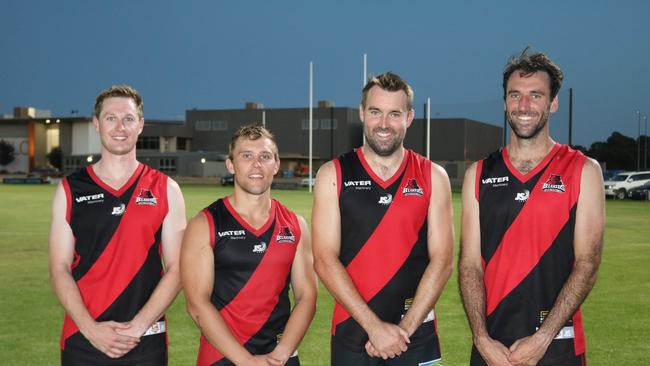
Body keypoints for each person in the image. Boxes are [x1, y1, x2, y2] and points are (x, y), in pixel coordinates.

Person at [458, 49, 605, 366]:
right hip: (491, 348)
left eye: (535, 95)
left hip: (556, 346)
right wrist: (481, 338)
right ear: (505, 103)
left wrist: (543, 337)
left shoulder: (583, 171)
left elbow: (587, 263)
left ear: (553, 103)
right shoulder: (478, 175)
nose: (524, 105)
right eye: (515, 95)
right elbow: (470, 265)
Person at [312, 72, 454, 365]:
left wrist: (404, 330)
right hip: (352, 334)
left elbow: (443, 260)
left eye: (394, 114)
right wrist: (374, 328)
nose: (384, 124)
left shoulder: (433, 176)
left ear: (409, 117)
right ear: (363, 113)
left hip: (417, 336)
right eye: (375, 112)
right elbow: (324, 259)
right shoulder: (333, 175)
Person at [49, 85, 187, 365]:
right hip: (83, 337)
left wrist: (137, 326)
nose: (120, 127)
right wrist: (91, 329)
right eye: (111, 118)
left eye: (129, 118)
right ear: (96, 124)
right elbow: (59, 267)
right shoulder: (69, 190)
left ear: (141, 125)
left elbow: (178, 268)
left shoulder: (166, 189)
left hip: (145, 340)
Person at [181, 125, 317, 366]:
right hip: (221, 357)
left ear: (276, 165)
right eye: (246, 156)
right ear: (231, 164)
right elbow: (197, 305)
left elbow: (307, 296)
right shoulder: (205, 224)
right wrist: (245, 361)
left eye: (265, 156)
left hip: (279, 357)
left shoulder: (296, 225)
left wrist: (282, 353)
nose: (256, 164)